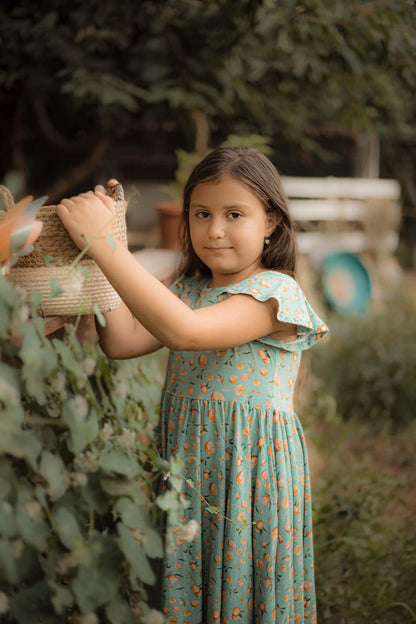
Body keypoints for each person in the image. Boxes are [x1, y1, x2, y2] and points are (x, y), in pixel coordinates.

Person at [57, 147, 328, 624]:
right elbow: (120, 341)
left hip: (247, 477)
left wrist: (103, 243)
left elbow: (186, 333)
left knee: (242, 588)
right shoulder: (189, 289)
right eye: (201, 214)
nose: (214, 229)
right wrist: (108, 239)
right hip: (189, 470)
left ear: (270, 222)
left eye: (234, 214)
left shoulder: (275, 293)